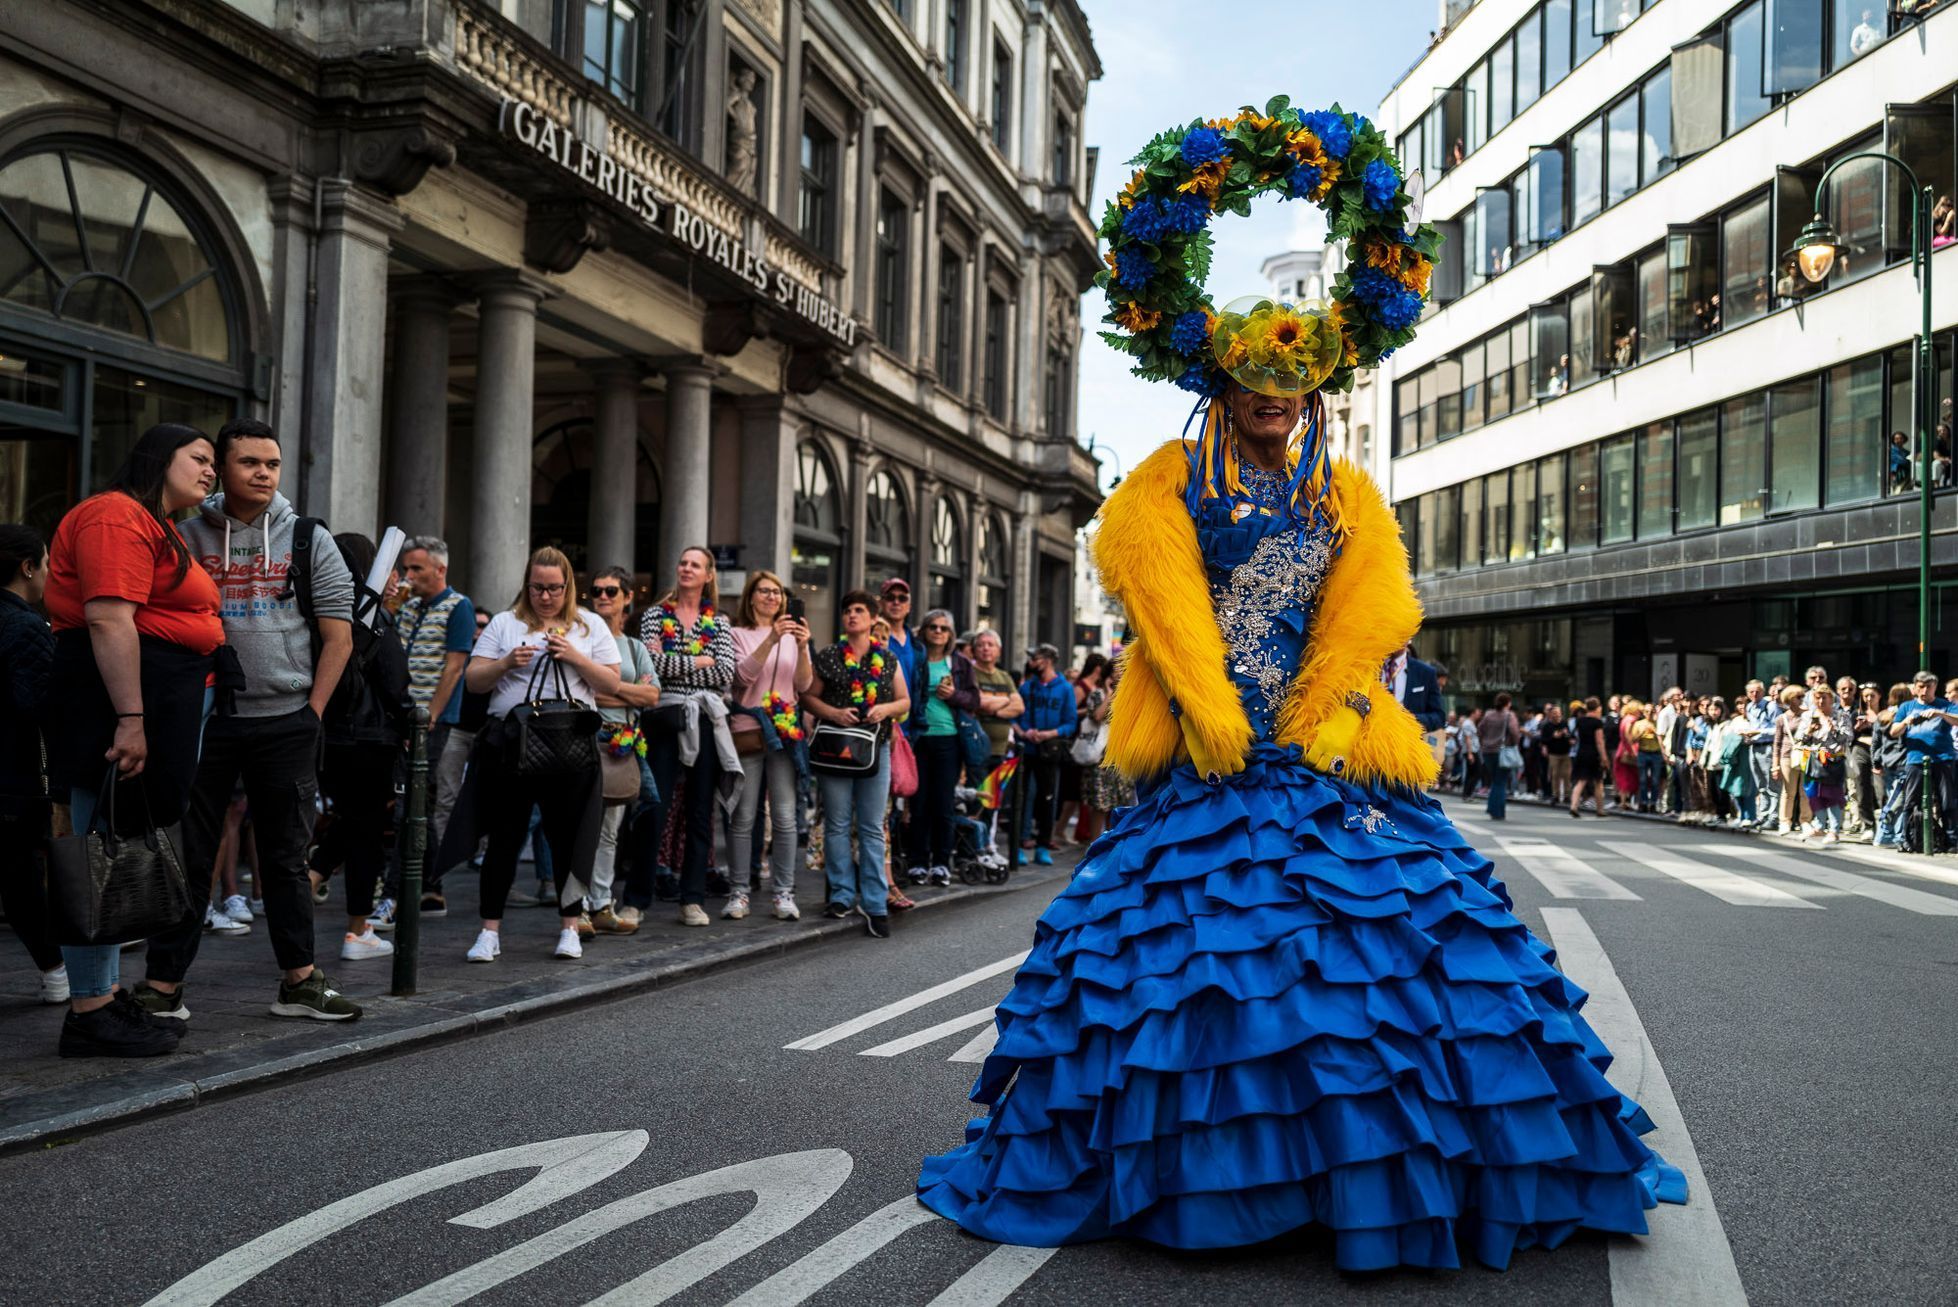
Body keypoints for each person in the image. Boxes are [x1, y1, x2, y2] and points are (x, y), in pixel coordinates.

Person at [919, 200, 1683, 1264]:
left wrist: (1335, 714)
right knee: (1190, 959)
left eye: (1289, 385)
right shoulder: (1170, 483)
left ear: (1311, 391)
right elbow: (1158, 600)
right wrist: (1206, 705)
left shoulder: (1346, 495)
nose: (1270, 400)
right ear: (1220, 387)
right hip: (1208, 746)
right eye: (1250, 382)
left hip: (1325, 747)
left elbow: (1372, 619)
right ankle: (1210, 1172)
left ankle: (1369, 1170)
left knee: (1385, 954)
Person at [136, 418, 358, 1024]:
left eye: (273, 464)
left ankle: (300, 982)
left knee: (286, 858)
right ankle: (162, 986)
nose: (263, 474)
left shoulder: (309, 539)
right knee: (192, 853)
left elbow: (339, 636)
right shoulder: (182, 534)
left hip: (285, 718)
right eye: (249, 463)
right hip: (205, 720)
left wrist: (310, 713)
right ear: (221, 469)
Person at [43, 423, 222, 1056]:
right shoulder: (115, 517)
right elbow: (108, 617)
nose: (211, 471)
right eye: (199, 459)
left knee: (116, 845)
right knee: (98, 850)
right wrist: (131, 718)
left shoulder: (153, 521)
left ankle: (105, 997)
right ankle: (88, 1011)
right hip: (112, 700)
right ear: (158, 458)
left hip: (146, 698)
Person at [461, 547, 619, 962]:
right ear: (526, 584)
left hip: (569, 746)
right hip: (512, 745)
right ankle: (489, 932)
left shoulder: (589, 625)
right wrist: (507, 663)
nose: (545, 596)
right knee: (504, 838)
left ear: (567, 587)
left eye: (553, 588)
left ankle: (570, 928)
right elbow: (474, 681)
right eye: (537, 587)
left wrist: (574, 656)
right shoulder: (505, 623)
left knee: (567, 839)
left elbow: (613, 682)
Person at [310, 532, 409, 963]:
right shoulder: (375, 619)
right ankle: (357, 929)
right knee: (366, 831)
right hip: (371, 740)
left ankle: (313, 876)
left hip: (327, 737)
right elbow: (396, 686)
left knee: (352, 822)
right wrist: (411, 725)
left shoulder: (320, 610)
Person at [636, 546, 736, 927]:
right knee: (654, 807)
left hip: (706, 718)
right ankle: (636, 899)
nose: (686, 569)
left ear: (709, 574)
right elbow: (651, 665)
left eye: (695, 564)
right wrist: (698, 660)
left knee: (699, 811)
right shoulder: (654, 616)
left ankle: (692, 899)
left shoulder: (720, 623)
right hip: (664, 715)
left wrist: (678, 664)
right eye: (682, 562)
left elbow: (725, 672)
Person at [806, 589, 911, 937]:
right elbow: (807, 697)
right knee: (836, 823)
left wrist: (885, 709)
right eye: (848, 610)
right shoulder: (829, 656)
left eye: (859, 611)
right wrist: (834, 713)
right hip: (835, 749)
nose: (852, 615)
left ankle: (876, 902)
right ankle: (841, 895)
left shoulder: (887, 659)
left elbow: (904, 701)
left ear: (871, 619)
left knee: (870, 826)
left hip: (874, 749)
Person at [394, 537, 476, 920]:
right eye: (406, 569)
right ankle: (424, 884)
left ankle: (419, 884)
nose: (409, 576)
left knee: (419, 800)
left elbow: (455, 666)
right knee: (411, 800)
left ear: (439, 570)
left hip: (432, 721)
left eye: (417, 569)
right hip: (401, 716)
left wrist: (432, 718)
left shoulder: (458, 606)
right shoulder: (407, 606)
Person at [0, 525, 66, 1003]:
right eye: (45, 564)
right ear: (27, 567)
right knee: (21, 880)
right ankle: (56, 972)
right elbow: (38, 706)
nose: (48, 574)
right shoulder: (25, 626)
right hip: (13, 778)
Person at [726, 569, 809, 919]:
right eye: (764, 591)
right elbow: (741, 677)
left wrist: (802, 646)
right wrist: (770, 640)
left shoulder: (793, 637)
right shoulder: (737, 634)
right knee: (743, 815)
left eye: (777, 592)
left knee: (786, 816)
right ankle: (739, 892)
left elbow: (803, 684)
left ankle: (784, 892)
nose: (772, 597)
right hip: (748, 730)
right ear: (751, 597)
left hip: (785, 733)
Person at [586, 565, 661, 933]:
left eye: (611, 591)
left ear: (627, 598)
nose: (602, 596)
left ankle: (601, 903)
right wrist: (623, 688)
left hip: (621, 742)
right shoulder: (580, 639)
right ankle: (577, 906)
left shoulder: (633, 647)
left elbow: (652, 695)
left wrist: (611, 688)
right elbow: (580, 691)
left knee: (610, 830)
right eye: (597, 590)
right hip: (585, 737)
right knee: (580, 825)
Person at [902, 608, 980, 884]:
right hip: (918, 738)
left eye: (943, 628)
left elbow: (974, 700)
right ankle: (918, 862)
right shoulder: (916, 658)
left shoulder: (959, 663)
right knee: (919, 802)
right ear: (923, 630)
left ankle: (941, 862)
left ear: (950, 634)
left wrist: (954, 695)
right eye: (932, 626)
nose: (937, 631)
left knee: (943, 803)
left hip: (949, 739)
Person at [1013, 642, 1077, 864]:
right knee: (1023, 797)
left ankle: (1043, 845)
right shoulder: (1026, 687)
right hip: (1027, 750)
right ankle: (1019, 845)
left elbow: (1070, 723)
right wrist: (1024, 732)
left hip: (1050, 753)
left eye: (1035, 658)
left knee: (1048, 798)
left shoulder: (1065, 688)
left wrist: (1049, 733)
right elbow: (1015, 717)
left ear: (1047, 660)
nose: (1031, 662)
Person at [1888, 671, 1958, 853]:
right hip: (1916, 758)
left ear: (1935, 687)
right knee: (1911, 801)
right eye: (1921, 686)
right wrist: (1905, 722)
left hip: (1943, 757)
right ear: (1915, 688)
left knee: (1946, 801)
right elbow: (1893, 731)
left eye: (1928, 686)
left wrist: (1940, 714)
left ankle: (1951, 840)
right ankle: (1907, 838)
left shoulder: (1945, 705)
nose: (1925, 690)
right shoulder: (1906, 706)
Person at [1793, 686, 1853, 843]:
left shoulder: (1841, 716)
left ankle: (1834, 831)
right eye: (1817, 698)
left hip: (1833, 761)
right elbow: (1799, 739)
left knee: (1832, 796)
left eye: (1824, 698)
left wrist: (1833, 730)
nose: (1820, 701)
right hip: (1813, 760)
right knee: (1814, 795)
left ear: (1831, 699)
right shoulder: (1808, 716)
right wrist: (1809, 731)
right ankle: (1819, 826)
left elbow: (1847, 738)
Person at [1068, 653, 1114, 844]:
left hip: (1118, 757)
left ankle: (1113, 845)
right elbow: (1097, 716)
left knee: (1117, 804)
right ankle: (1096, 845)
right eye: (1117, 670)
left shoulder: (1131, 695)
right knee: (1099, 804)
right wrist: (1111, 695)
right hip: (1099, 756)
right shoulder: (1097, 694)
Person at [1769, 683, 1811, 833]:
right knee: (1788, 791)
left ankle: (1805, 820)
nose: (1801, 700)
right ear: (1789, 699)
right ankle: (1784, 821)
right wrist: (1775, 766)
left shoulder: (1807, 715)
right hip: (1787, 756)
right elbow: (1777, 743)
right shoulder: (1782, 718)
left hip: (1805, 754)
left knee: (1804, 790)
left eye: (1802, 697)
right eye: (1797, 697)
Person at [1740, 679, 1780, 829]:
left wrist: (1758, 732)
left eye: (1757, 691)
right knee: (1761, 784)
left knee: (1772, 784)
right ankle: (1763, 815)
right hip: (1754, 747)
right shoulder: (1750, 707)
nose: (1754, 694)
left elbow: (1777, 729)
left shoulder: (1771, 706)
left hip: (1768, 747)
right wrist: (1748, 735)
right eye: (1751, 692)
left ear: (1763, 692)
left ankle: (1774, 817)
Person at [1476, 690, 1520, 820]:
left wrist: (1484, 742)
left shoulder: (1489, 715)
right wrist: (1514, 743)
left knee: (1495, 780)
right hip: (1502, 751)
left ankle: (1493, 809)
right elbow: (1514, 732)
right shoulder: (1509, 715)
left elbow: (1480, 729)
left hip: (1488, 751)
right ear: (1508, 703)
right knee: (1500, 782)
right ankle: (1497, 811)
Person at [1570, 696, 1607, 817]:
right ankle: (1600, 809)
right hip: (1593, 753)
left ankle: (1574, 806)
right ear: (1597, 707)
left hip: (1581, 752)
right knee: (1598, 782)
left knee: (1581, 781)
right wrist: (1604, 757)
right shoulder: (1597, 722)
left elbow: (1576, 737)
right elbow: (1599, 741)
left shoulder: (1580, 721)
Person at [1539, 701, 1572, 803]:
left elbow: (1570, 736)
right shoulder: (1547, 726)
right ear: (1550, 715)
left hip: (1565, 752)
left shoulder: (1564, 723)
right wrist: (1553, 737)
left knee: (1566, 775)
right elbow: (1543, 740)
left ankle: (1567, 795)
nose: (1556, 715)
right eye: (1554, 713)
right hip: (1553, 753)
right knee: (1555, 775)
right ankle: (1555, 795)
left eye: (1558, 713)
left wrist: (1568, 737)